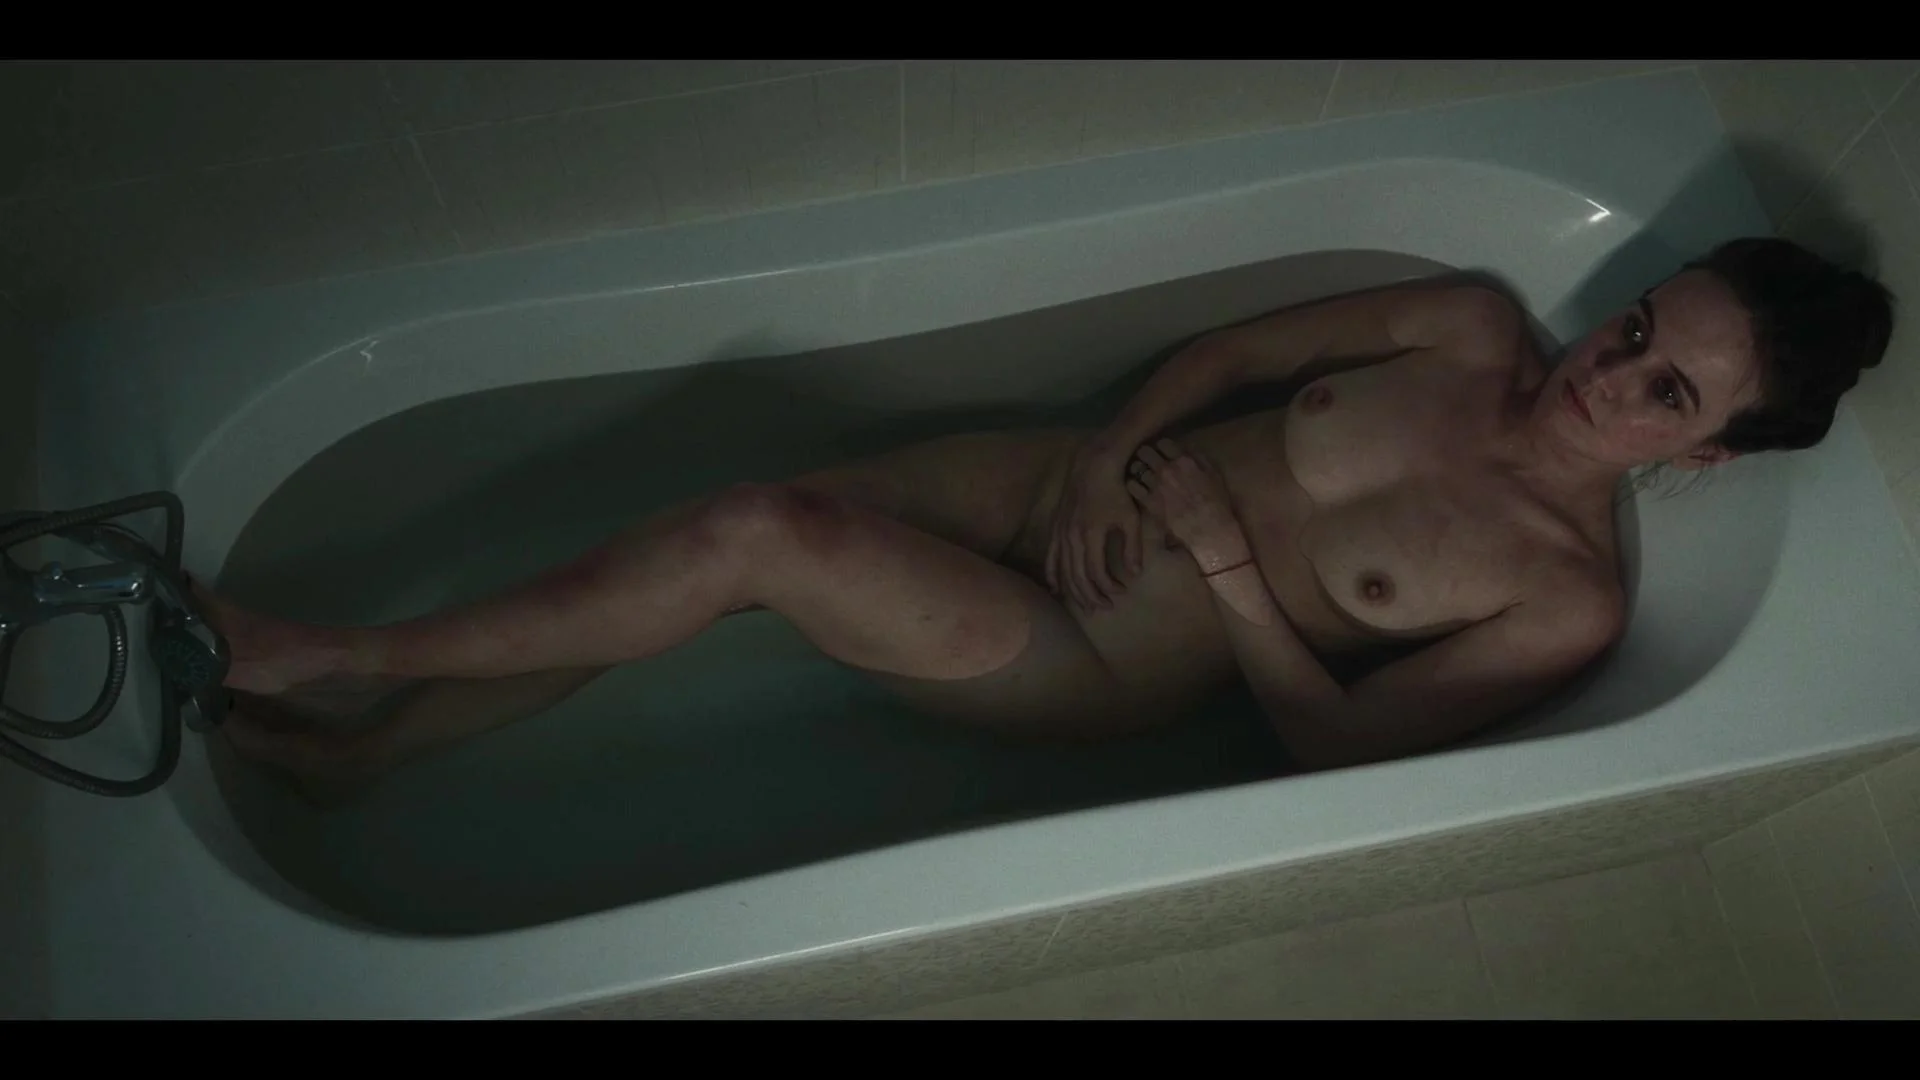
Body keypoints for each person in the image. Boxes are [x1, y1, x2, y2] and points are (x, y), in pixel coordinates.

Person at [203, 237, 1894, 794]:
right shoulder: (1464, 324)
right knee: (715, 538)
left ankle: (338, 659)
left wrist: (1227, 568)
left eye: (1669, 393)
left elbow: (1335, 746)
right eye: (1639, 329)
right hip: (1054, 483)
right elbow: (1232, 356)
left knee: (746, 538)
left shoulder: (1563, 595)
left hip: (1086, 647)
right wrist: (1106, 451)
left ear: (1710, 456)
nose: (1612, 373)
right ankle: (372, 753)